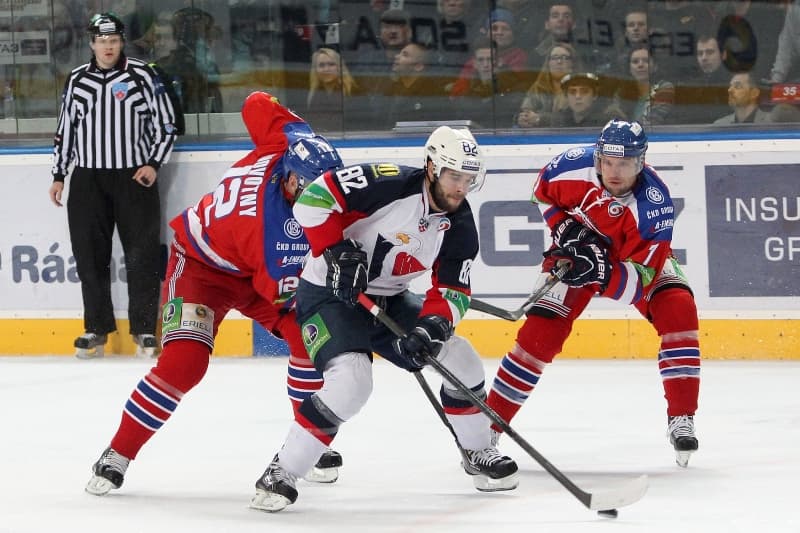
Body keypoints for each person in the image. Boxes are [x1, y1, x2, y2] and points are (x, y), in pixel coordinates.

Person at [84, 91, 347, 497]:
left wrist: (293, 127)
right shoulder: (272, 232)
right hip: (201, 270)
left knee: (307, 339)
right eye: (316, 189)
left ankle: (306, 444)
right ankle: (118, 452)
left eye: (330, 187)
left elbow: (256, 102)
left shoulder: (289, 144)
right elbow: (286, 291)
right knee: (184, 364)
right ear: (292, 181)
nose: (325, 198)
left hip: (252, 268)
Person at [250, 126, 519, 513]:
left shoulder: (459, 224)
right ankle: (282, 471)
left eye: (468, 179)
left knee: (460, 357)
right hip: (329, 293)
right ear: (431, 167)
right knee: (353, 380)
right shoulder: (386, 183)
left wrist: (431, 328)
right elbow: (312, 198)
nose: (460, 187)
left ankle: (477, 451)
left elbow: (453, 291)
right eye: (453, 175)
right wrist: (337, 250)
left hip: (388, 300)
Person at [486, 119, 701, 468]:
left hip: (634, 264)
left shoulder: (654, 207)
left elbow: (640, 282)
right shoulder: (571, 165)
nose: (615, 172)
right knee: (538, 336)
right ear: (598, 157)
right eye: (608, 162)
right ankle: (487, 427)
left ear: (641, 162)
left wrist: (601, 273)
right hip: (574, 258)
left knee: (678, 307)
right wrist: (566, 228)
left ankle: (682, 417)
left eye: (626, 164)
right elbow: (541, 193)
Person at [49, 12, 178, 359]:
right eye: (101, 41)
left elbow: (166, 124)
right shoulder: (77, 79)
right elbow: (66, 130)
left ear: (122, 42)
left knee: (142, 255)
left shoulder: (142, 75)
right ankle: (96, 328)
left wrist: (153, 163)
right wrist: (60, 174)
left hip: (133, 177)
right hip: (88, 179)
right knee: (89, 256)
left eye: (113, 40)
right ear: (91, 43)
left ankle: (144, 331)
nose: (107, 47)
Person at [550, 72, 624, 127]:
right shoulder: (559, 121)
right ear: (566, 96)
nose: (578, 96)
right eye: (572, 92)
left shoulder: (607, 121)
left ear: (594, 95)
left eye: (584, 91)